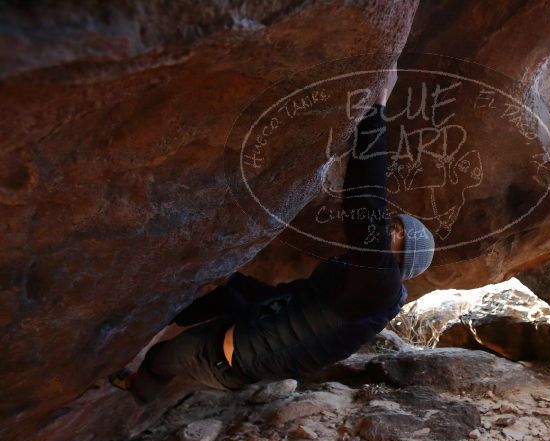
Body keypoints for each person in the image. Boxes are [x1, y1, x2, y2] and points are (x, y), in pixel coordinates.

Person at [111, 65, 435, 404]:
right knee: (227, 294)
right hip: (251, 333)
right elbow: (291, 297)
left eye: (396, 231)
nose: (387, 226)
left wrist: (376, 110)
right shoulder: (357, 288)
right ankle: (156, 321)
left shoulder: (379, 290)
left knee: (160, 359)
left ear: (402, 258)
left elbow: (365, 205)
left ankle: (135, 387)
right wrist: (230, 279)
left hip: (226, 360)